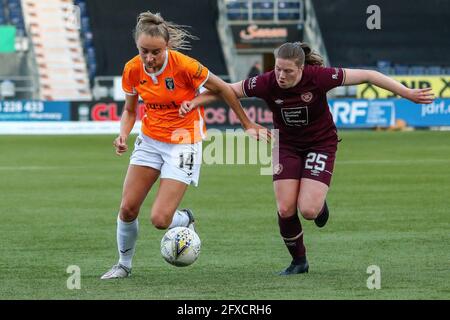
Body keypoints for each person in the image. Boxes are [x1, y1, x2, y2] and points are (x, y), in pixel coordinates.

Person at [180, 42, 434, 275]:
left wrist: (406, 93)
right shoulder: (266, 82)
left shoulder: (320, 78)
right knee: (285, 208)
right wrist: (195, 102)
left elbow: (369, 75)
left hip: (320, 144)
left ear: (301, 68)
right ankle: (299, 261)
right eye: (278, 69)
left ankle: (319, 204)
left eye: (288, 71)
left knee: (309, 210)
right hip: (287, 145)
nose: (281, 75)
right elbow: (225, 89)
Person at [101, 11, 265, 279]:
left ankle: (185, 218)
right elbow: (130, 111)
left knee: (160, 220)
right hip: (150, 140)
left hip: (183, 142)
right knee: (128, 208)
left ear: (167, 47)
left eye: (156, 52)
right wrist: (123, 134)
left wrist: (246, 123)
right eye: (144, 51)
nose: (150, 58)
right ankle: (123, 264)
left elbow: (223, 88)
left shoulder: (185, 65)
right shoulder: (132, 69)